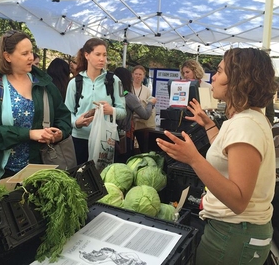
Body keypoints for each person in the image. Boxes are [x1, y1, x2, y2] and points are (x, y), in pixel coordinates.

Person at [156, 48, 277, 265]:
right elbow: (228, 158)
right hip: (234, 231)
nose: (213, 76)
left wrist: (194, 159)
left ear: (239, 80)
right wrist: (210, 126)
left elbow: (238, 200)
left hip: (234, 234)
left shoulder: (246, 124)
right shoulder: (249, 118)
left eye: (220, 71)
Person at [0, 30, 72, 182]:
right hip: (0, 173)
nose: (31, 57)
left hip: (39, 171)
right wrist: (29, 134)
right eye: (24, 53)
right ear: (7, 56)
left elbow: (63, 116)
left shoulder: (44, 84)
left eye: (31, 51)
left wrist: (59, 133)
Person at [65, 38, 126, 166]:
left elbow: (123, 111)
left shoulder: (114, 81)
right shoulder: (75, 83)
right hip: (80, 139)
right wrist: (76, 122)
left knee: (103, 179)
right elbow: (67, 113)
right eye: (97, 54)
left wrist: (111, 110)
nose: (102, 59)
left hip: (105, 140)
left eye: (104, 55)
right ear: (87, 55)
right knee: (79, 178)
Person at [114, 67, 156, 162]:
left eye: (140, 74)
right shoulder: (128, 96)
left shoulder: (110, 94)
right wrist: (150, 103)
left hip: (109, 135)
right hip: (124, 136)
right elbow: (145, 115)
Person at [132, 65, 156, 130]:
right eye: (136, 74)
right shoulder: (127, 88)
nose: (138, 76)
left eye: (140, 74)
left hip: (142, 124)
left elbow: (149, 107)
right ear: (132, 75)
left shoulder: (147, 90)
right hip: (130, 122)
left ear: (143, 76)